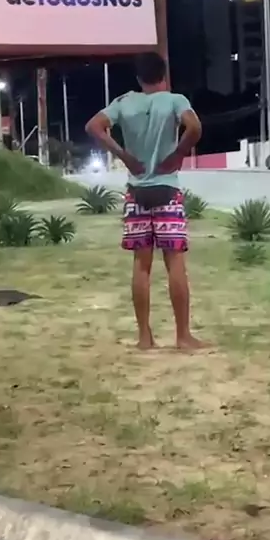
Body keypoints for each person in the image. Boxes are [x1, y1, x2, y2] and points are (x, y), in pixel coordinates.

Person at [86, 51, 203, 349]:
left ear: (139, 78)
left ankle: (144, 337)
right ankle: (183, 336)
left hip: (137, 192)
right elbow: (195, 128)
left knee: (141, 265)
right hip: (167, 190)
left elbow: (93, 126)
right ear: (164, 74)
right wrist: (177, 154)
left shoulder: (124, 102)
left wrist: (123, 155)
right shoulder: (175, 101)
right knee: (175, 264)